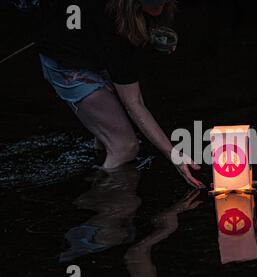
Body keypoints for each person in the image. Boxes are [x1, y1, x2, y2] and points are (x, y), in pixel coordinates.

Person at [38, 0, 205, 188]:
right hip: (67, 66)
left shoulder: (139, 17)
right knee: (125, 146)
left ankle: (100, 159)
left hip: (92, 53)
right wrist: (174, 155)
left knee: (112, 130)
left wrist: (152, 37)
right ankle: (108, 205)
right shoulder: (115, 27)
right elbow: (134, 103)